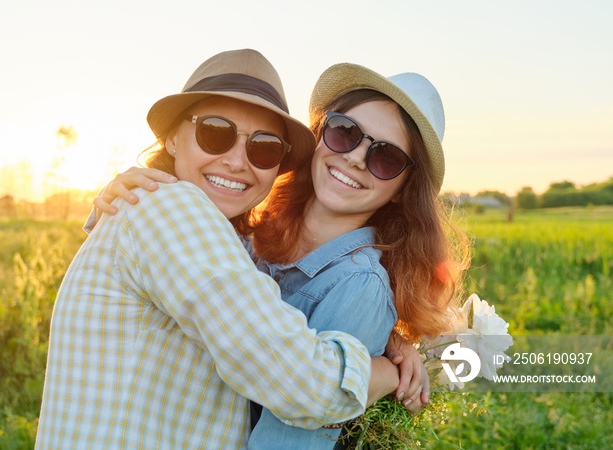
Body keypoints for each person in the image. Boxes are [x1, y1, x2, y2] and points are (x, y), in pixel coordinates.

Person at [35, 49, 406, 450]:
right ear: (173, 138)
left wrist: (391, 338)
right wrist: (386, 372)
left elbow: (261, 307)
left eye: (263, 147)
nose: (234, 160)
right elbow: (306, 386)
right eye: (215, 131)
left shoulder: (177, 220)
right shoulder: (175, 211)